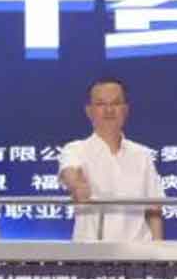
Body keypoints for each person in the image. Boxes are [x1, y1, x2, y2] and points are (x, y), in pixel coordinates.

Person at [58, 78, 165, 242]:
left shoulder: (142, 154)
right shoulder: (76, 149)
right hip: (91, 251)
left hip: (138, 251)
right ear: (89, 111)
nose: (109, 110)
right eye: (101, 104)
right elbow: (69, 173)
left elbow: (154, 209)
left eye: (115, 103)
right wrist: (77, 186)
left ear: (125, 110)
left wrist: (158, 250)